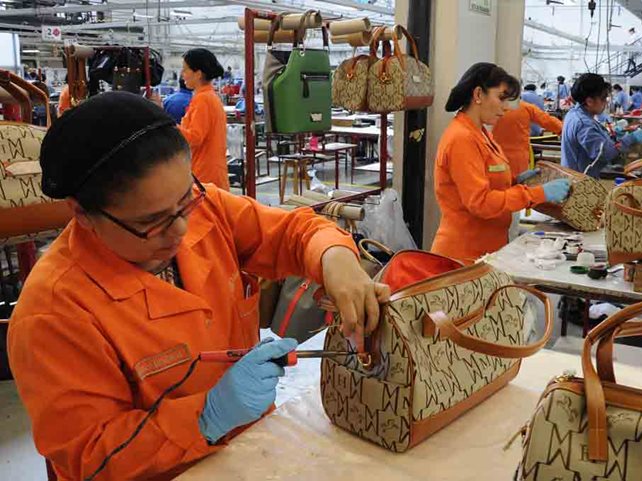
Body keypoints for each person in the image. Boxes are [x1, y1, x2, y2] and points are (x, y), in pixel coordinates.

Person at [8, 92, 388, 480]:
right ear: (82, 213)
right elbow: (91, 456)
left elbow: (295, 232)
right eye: (152, 221)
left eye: (184, 200)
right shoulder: (54, 312)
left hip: (254, 451)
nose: (181, 229)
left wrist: (336, 259)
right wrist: (206, 416)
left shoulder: (206, 209)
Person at [432, 63, 570, 263]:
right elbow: (481, 203)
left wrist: (514, 181)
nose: (505, 108)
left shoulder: (481, 133)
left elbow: (485, 179)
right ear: (478, 94)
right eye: (501, 98)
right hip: (463, 256)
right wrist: (538, 194)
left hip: (486, 250)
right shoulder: (462, 138)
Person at [561, 73, 642, 178]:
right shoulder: (584, 124)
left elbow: (593, 139)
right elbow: (606, 154)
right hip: (580, 184)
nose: (606, 103)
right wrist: (630, 139)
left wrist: (612, 134)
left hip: (574, 175)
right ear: (589, 101)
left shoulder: (574, 114)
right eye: (603, 99)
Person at [176, 48, 229, 189]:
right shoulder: (207, 97)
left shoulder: (203, 100)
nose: (182, 75)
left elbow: (194, 138)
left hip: (205, 175)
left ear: (198, 74)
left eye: (185, 70)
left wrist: (169, 127)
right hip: (209, 172)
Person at [492, 98, 564, 176]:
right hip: (518, 161)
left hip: (493, 159)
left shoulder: (487, 108)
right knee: (518, 184)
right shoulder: (525, 107)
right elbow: (548, 121)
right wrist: (563, 130)